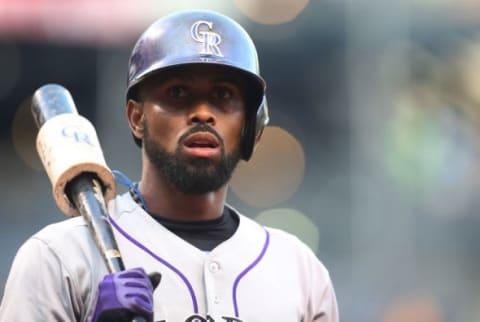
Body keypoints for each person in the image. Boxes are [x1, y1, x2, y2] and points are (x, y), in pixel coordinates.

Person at [0, 9, 339, 322]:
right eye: (178, 93)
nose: (203, 113)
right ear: (136, 117)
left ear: (251, 125)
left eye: (223, 96)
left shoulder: (298, 269)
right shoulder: (59, 258)